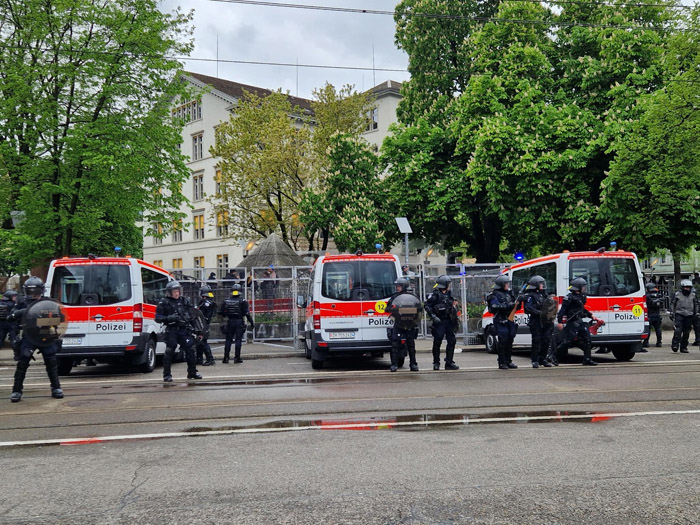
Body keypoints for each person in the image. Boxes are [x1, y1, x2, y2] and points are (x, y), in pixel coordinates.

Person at [9, 277, 63, 402]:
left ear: (41, 291)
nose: (33, 294)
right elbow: (10, 317)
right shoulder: (21, 302)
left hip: (46, 334)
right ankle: (16, 390)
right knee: (22, 363)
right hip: (29, 336)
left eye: (36, 291)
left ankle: (56, 388)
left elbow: (60, 317)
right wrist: (21, 312)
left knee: (51, 362)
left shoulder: (48, 302)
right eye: (30, 291)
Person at [155, 280, 202, 382]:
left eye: (178, 291)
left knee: (190, 349)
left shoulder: (184, 301)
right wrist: (169, 318)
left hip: (183, 330)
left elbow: (192, 315)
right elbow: (157, 318)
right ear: (169, 292)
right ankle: (167, 375)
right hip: (172, 330)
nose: (177, 293)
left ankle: (192, 372)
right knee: (169, 350)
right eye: (174, 291)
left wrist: (197, 329)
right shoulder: (164, 302)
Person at [555, 278, 602, 366]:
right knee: (568, 341)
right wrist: (560, 322)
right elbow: (562, 311)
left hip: (579, 321)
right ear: (578, 287)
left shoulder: (581, 296)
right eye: (583, 286)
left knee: (587, 338)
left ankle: (587, 359)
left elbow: (582, 309)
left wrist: (591, 315)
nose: (584, 288)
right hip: (572, 322)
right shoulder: (569, 298)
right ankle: (553, 356)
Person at [424, 275, 459, 370]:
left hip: (449, 321)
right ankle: (436, 363)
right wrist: (433, 317)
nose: (450, 286)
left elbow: (452, 304)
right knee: (437, 342)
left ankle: (449, 362)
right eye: (448, 284)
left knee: (452, 341)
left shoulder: (449, 294)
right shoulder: (435, 295)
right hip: (439, 321)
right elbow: (427, 306)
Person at [385, 277, 420, 372]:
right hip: (399, 323)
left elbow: (418, 306)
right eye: (397, 286)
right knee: (395, 344)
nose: (397, 287)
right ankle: (394, 364)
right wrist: (392, 309)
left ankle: (413, 364)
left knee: (411, 345)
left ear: (404, 286)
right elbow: (387, 308)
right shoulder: (395, 297)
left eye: (399, 286)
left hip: (409, 323)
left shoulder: (412, 296)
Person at [487, 275, 519, 370]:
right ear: (501, 284)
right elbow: (494, 306)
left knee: (510, 340)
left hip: (509, 319)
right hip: (500, 319)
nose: (507, 285)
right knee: (503, 340)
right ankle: (502, 362)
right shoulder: (494, 295)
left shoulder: (509, 294)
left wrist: (518, 302)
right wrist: (508, 305)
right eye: (506, 283)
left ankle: (508, 361)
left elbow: (514, 305)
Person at [523, 275, 553, 368]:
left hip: (545, 321)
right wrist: (540, 313)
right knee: (536, 341)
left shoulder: (544, 294)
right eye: (541, 284)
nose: (542, 285)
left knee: (546, 340)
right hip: (536, 321)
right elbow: (528, 308)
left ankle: (543, 359)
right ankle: (535, 360)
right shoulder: (530, 296)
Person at [219, 284, 254, 363]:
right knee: (238, 340)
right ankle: (237, 357)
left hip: (230, 321)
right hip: (239, 322)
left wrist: (226, 316)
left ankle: (226, 357)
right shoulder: (243, 301)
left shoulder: (226, 301)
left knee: (228, 340)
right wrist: (251, 323)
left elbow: (221, 312)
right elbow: (247, 314)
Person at [669, 279, 697, 354]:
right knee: (678, 330)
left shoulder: (693, 295)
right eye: (686, 287)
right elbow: (673, 303)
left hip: (689, 315)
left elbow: (695, 304)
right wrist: (672, 312)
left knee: (686, 332)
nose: (687, 289)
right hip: (679, 314)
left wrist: (695, 313)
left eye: (689, 287)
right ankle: (675, 345)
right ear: (682, 287)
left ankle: (684, 347)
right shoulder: (677, 294)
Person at [195, 285, 217, 366]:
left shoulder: (205, 303)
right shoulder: (209, 301)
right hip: (203, 324)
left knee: (203, 342)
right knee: (199, 342)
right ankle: (199, 359)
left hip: (203, 324)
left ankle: (210, 359)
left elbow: (199, 312)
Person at [644, 282, 664, 348]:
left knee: (648, 329)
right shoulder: (658, 294)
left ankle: (646, 342)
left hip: (649, 313)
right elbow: (661, 304)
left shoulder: (647, 295)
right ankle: (659, 342)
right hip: (657, 314)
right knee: (658, 328)